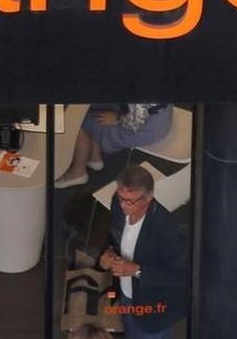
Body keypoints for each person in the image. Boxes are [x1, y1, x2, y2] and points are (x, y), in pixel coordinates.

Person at [98, 166, 188, 339]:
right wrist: (107, 253)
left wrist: (137, 271)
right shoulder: (118, 203)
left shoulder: (167, 230)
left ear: (148, 197)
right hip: (127, 297)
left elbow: (183, 277)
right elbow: (113, 236)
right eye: (120, 198)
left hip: (155, 310)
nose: (123, 205)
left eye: (129, 201)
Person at [55, 103, 172, 189]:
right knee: (93, 108)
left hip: (142, 127)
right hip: (156, 115)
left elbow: (135, 122)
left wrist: (118, 118)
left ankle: (77, 173)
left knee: (75, 119)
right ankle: (94, 158)